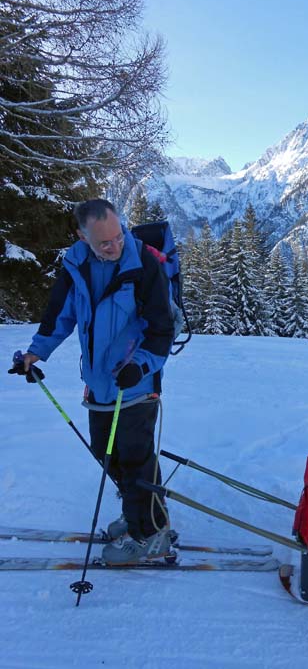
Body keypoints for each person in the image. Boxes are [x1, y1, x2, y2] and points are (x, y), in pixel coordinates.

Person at [14, 198, 175, 564]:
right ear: (82, 236)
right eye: (104, 242)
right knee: (108, 455)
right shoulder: (76, 265)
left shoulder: (143, 264)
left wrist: (142, 365)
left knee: (136, 460)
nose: (115, 246)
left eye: (118, 236)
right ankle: (140, 514)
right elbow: (60, 316)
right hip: (98, 385)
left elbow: (162, 329)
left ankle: (151, 535)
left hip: (135, 384)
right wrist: (35, 353)